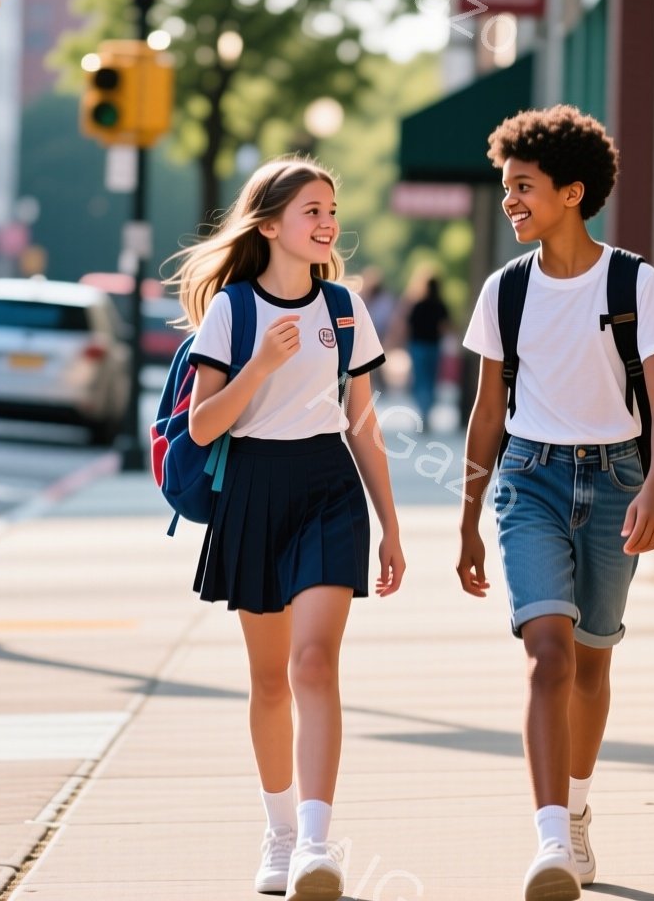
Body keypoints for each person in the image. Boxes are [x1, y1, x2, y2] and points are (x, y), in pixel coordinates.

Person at [455, 106, 654, 900]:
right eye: (505, 187)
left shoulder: (633, 281)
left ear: (572, 192)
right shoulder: (505, 290)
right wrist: (468, 521)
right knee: (546, 655)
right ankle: (551, 839)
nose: (509, 201)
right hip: (529, 481)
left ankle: (579, 813)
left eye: (523, 187)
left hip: (619, 479)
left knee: (593, 660)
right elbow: (487, 414)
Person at [172, 155, 406, 901]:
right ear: (270, 225)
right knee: (270, 680)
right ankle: (277, 834)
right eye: (311, 209)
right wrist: (258, 367)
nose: (327, 221)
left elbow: (364, 425)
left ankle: (314, 843)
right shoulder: (233, 311)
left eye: (331, 208)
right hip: (253, 491)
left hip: (329, 489)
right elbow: (202, 426)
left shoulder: (344, 308)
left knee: (313, 666)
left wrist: (391, 528)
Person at [404, 269, 452, 426]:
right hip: (433, 346)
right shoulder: (441, 306)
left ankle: (422, 411)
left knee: (420, 380)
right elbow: (445, 327)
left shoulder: (418, 305)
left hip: (418, 346)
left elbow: (409, 326)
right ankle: (427, 412)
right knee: (431, 380)